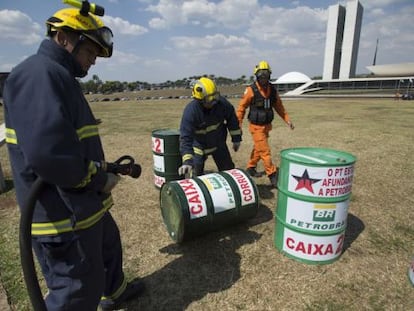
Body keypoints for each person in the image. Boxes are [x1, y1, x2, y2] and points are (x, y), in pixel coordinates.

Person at [3, 7, 143, 311]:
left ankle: (116, 291)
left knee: (109, 244)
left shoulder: (59, 75)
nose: (93, 60)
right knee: (77, 289)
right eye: (91, 51)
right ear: (63, 37)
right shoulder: (39, 75)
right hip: (62, 216)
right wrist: (97, 178)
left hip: (83, 205)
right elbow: (48, 155)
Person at [236, 61, 294, 187]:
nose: (263, 78)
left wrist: (287, 120)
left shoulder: (272, 90)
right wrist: (238, 126)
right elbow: (241, 108)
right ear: (256, 75)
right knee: (265, 151)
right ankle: (272, 175)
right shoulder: (250, 90)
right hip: (256, 127)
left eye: (266, 75)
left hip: (267, 126)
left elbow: (279, 107)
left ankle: (251, 167)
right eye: (261, 75)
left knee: (259, 148)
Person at [178, 77, 242, 177]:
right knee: (196, 177)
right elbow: (186, 138)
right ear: (199, 100)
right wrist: (187, 161)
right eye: (209, 100)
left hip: (219, 143)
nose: (214, 102)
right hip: (199, 147)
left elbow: (232, 120)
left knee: (228, 172)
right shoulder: (191, 112)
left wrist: (236, 139)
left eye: (215, 97)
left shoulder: (222, 103)